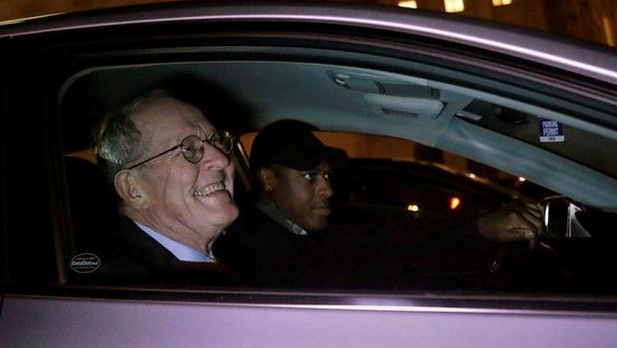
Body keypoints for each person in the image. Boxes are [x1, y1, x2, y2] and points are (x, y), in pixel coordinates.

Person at [214, 119, 543, 287]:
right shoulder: (256, 252)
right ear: (268, 180)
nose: (327, 190)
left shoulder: (296, 235)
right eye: (310, 177)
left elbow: (386, 242)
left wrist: (480, 227)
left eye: (327, 176)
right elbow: (378, 249)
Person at [93, 89, 238, 279]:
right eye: (188, 148)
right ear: (133, 189)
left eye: (216, 140)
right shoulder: (119, 288)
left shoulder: (241, 253)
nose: (221, 159)